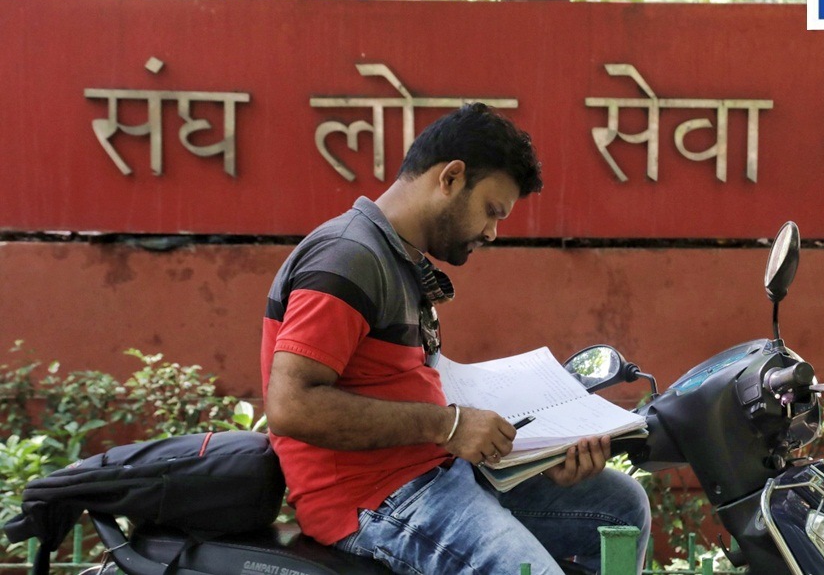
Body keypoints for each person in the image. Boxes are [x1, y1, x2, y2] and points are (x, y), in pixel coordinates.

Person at [260, 103, 651, 575]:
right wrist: (449, 427)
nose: (492, 231)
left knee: (621, 506)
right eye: (490, 211)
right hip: (374, 499)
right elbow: (291, 405)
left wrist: (534, 459)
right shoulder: (348, 257)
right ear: (450, 178)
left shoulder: (396, 256)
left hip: (440, 470)